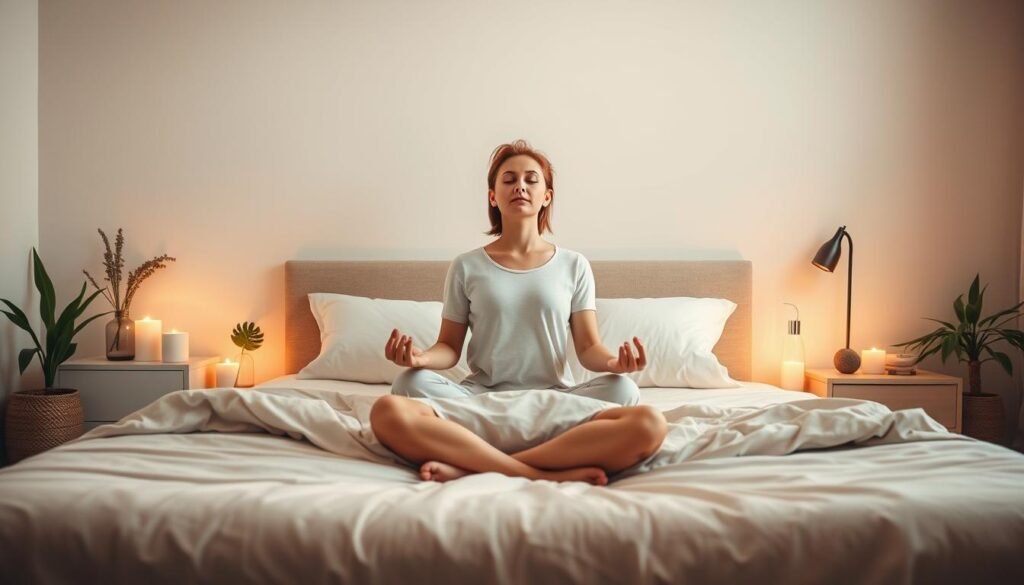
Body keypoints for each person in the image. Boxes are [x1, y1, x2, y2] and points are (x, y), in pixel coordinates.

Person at [369, 140, 668, 486]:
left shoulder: (574, 265)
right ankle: (538, 469)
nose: (520, 187)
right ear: (493, 197)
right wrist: (420, 359)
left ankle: (474, 463)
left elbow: (589, 348)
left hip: (554, 400)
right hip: (480, 400)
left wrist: (616, 363)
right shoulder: (466, 266)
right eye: (509, 180)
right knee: (403, 389)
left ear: (547, 196)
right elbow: (449, 347)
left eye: (531, 179)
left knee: (631, 400)